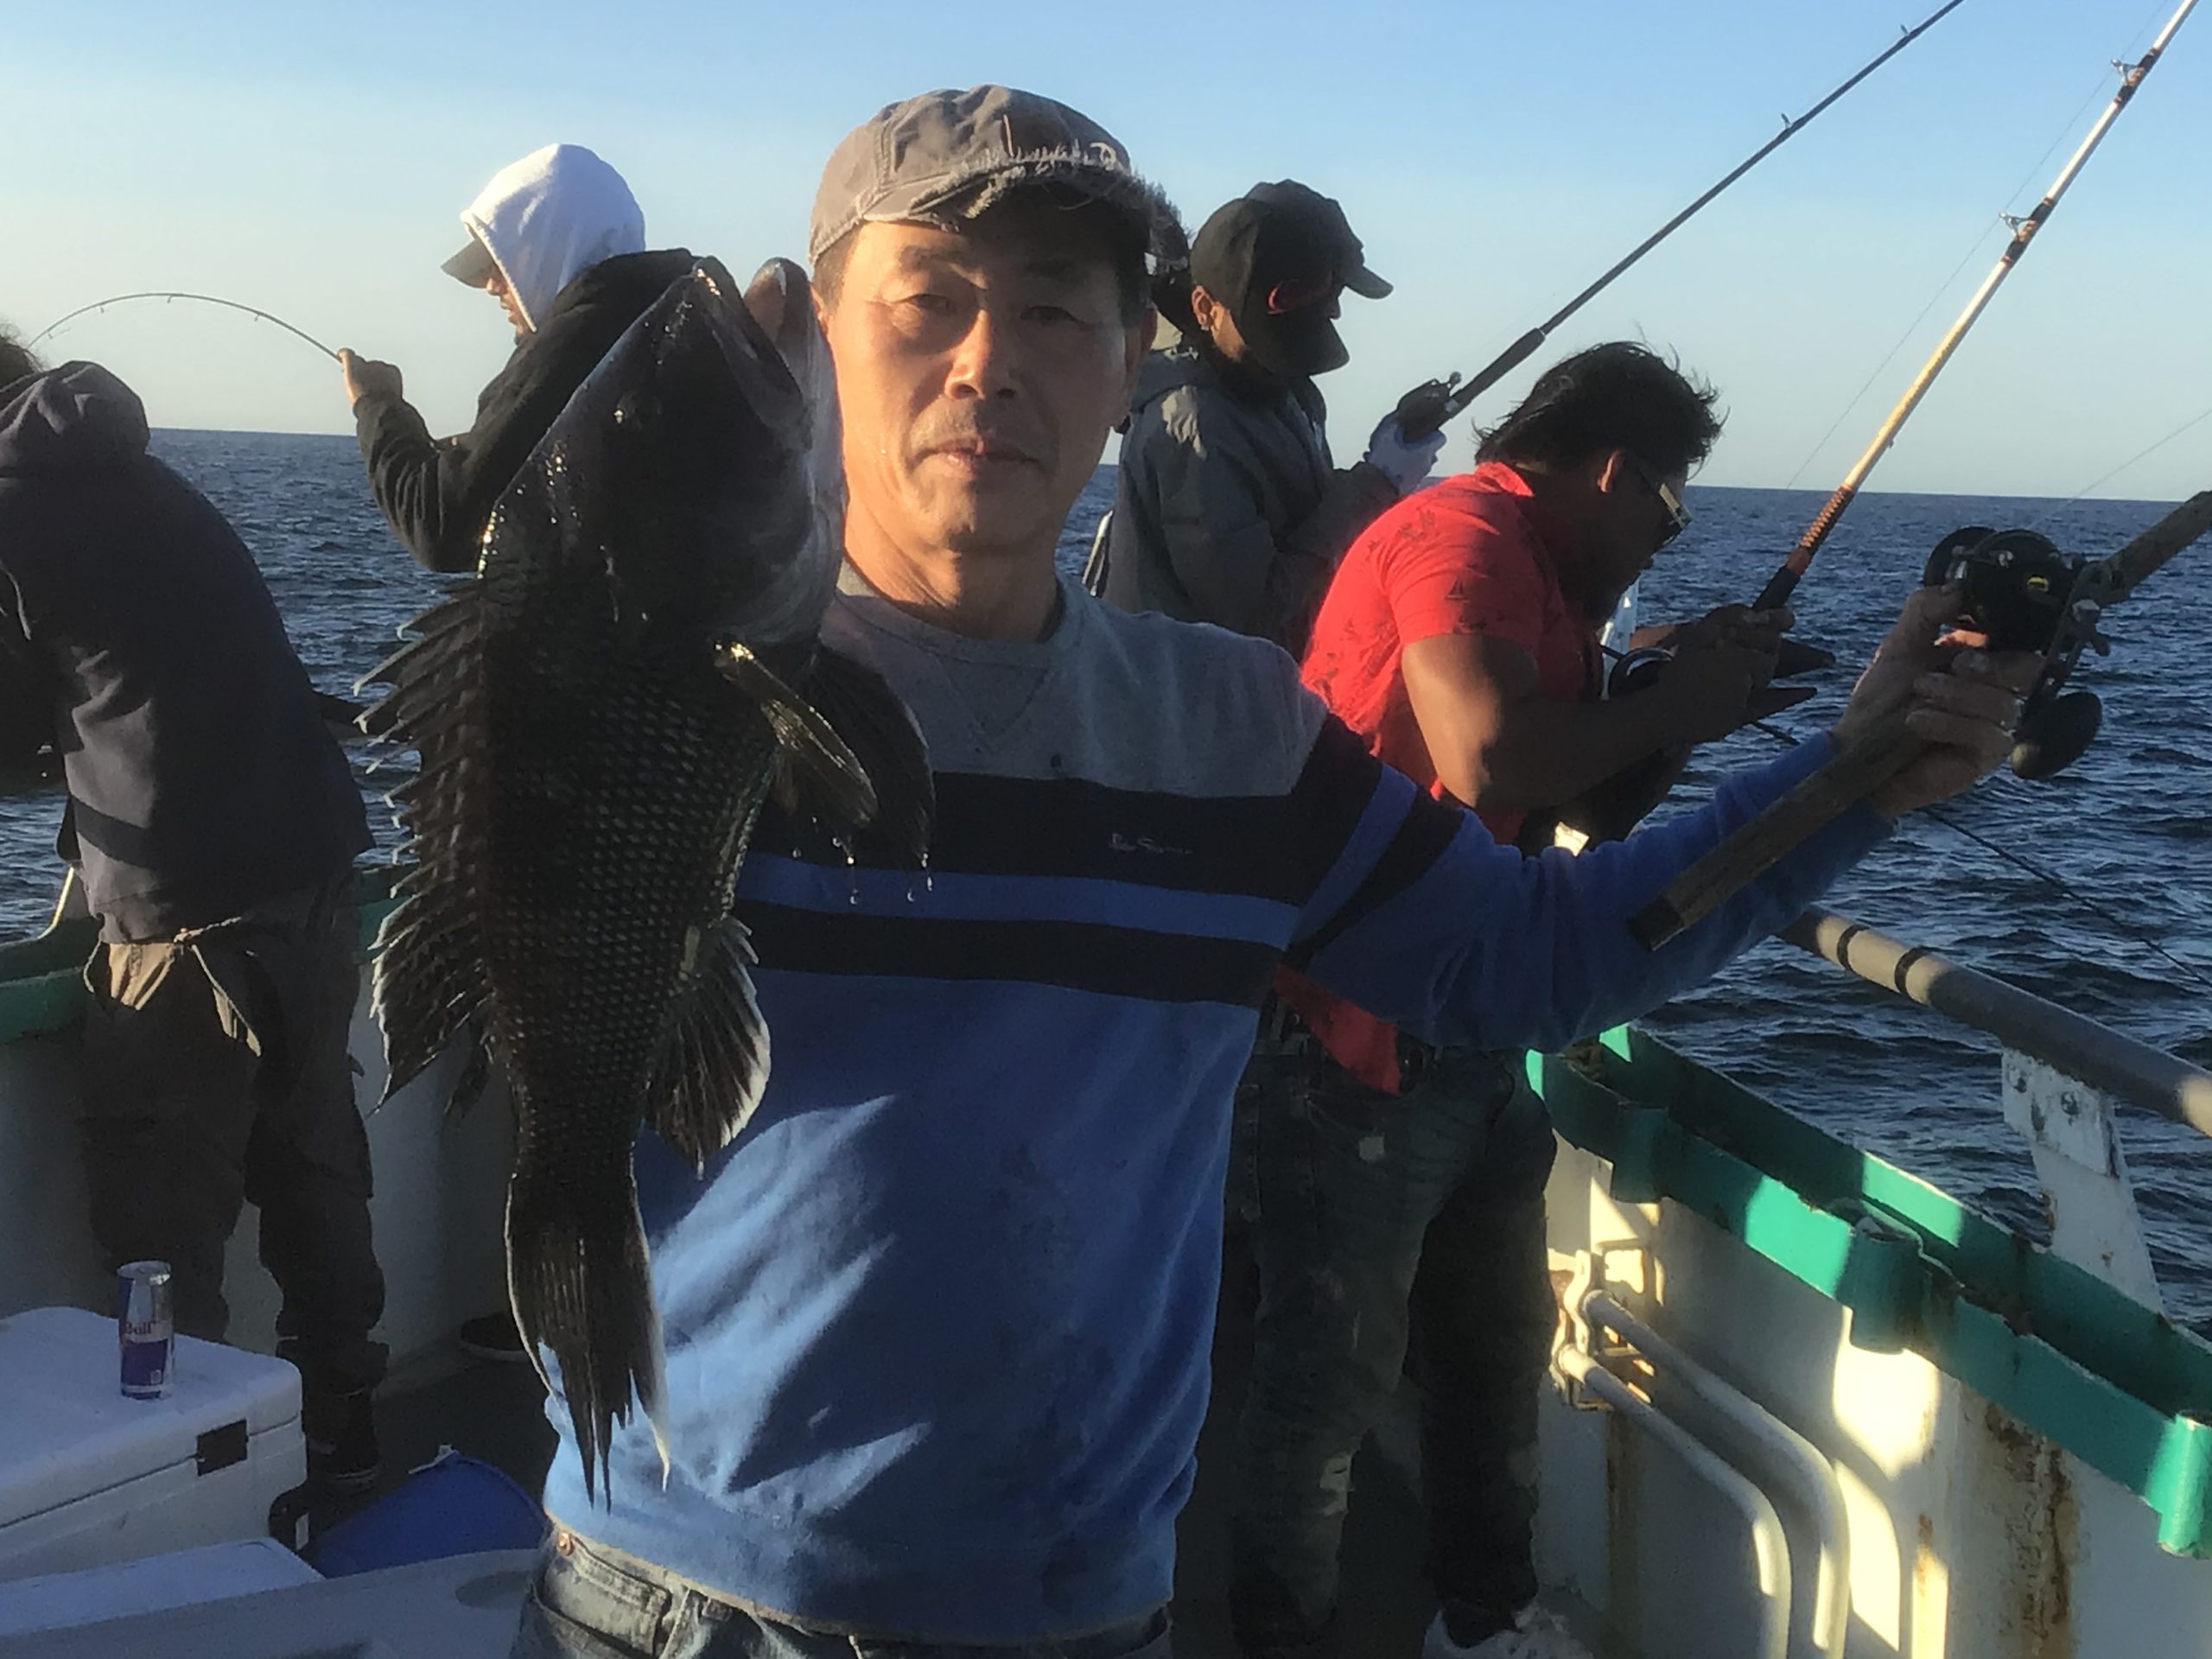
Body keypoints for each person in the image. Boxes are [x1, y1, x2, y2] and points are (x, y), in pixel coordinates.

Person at [505, 86, 2034, 1659]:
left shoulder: (1234, 732)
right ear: (823, 341)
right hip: (670, 1606)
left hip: (1086, 1620)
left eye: (1054, 309)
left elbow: (1536, 958)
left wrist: (1861, 773)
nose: (987, 361)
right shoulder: (654, 698)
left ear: (1128, 368)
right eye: (928, 301)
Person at [1242, 342, 1808, 1659]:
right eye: (1670, 503)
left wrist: (1679, 704)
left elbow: (1575, 800)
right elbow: (1487, 751)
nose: (1670, 534)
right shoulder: (1462, 536)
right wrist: (1670, 707)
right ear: (1615, 473)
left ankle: (1483, 1622)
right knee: (1323, 1388)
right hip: (1345, 1032)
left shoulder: (1542, 583)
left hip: (1469, 1024)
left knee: (1495, 1353)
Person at [0, 327, 384, 1490]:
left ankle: (196, 1481)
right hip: (312, 876)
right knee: (314, 1169)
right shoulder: (144, 478)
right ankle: (344, 1432)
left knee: (161, 1231)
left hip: (180, 919)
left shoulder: (9, 519)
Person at [1100, 181, 1445, 653]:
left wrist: (1379, 467)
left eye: (1331, 297)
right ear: (1205, 308)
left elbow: (1294, 522)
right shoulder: (1194, 425)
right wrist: (1376, 483)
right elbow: (1255, 618)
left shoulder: (1281, 389)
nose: (1331, 311)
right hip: (1197, 692)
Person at [339, 143, 697, 574]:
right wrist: (478, 447)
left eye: (501, 261)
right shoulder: (668, 321)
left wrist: (376, 405)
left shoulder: (575, 346)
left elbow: (441, 527)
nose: (491, 285)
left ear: (552, 244)